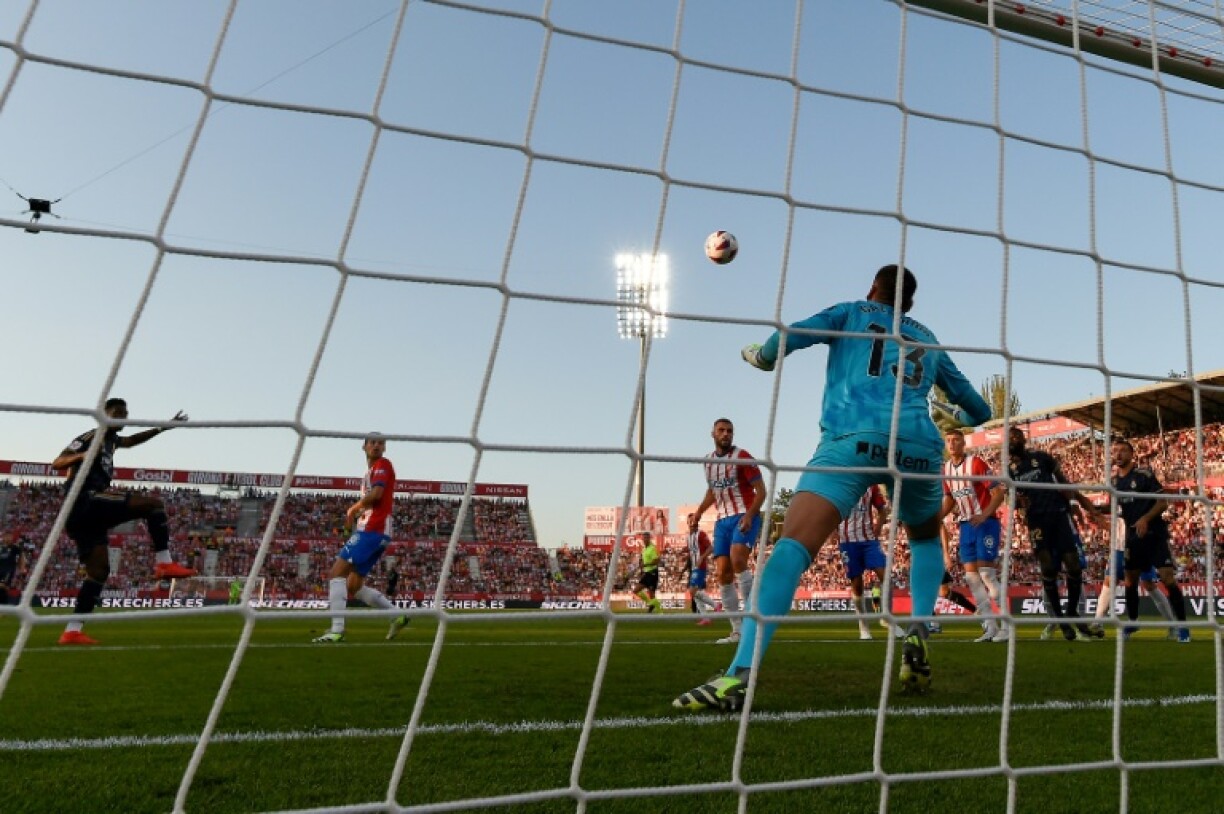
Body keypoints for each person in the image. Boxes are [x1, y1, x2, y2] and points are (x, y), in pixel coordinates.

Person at [674, 264, 992, 711]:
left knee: (792, 548)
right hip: (919, 445)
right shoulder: (929, 338)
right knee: (922, 539)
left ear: (872, 289)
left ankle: (738, 677)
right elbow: (979, 409)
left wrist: (762, 356)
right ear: (910, 303)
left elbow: (790, 334)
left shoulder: (850, 312)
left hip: (853, 440)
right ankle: (919, 631)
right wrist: (953, 419)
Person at [51, 398, 196, 646]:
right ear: (105, 414)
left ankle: (72, 631)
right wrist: (85, 455)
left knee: (98, 572)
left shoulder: (113, 441)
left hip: (86, 517)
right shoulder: (91, 436)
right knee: (153, 505)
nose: (123, 416)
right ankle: (164, 564)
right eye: (117, 412)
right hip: (84, 498)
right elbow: (57, 462)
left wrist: (162, 428)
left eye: (125, 413)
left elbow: (131, 441)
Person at [1005, 428, 1104, 642]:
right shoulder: (1010, 471)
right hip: (1036, 521)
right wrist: (1017, 504)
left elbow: (1063, 481)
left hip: (1059, 515)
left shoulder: (1041, 458)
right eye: (1009, 438)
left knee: (1074, 565)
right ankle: (1060, 620)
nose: (1012, 440)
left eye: (1016, 436)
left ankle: (1070, 614)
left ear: (1023, 439)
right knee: (1048, 568)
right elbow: (1010, 501)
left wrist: (1078, 503)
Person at [314, 433, 402, 643]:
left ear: (384, 448)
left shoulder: (383, 464)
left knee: (337, 573)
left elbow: (377, 495)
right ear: (364, 447)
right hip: (377, 531)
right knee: (353, 586)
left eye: (381, 443)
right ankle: (396, 615)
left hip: (373, 529)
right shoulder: (370, 471)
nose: (377, 446)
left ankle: (337, 630)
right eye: (372, 443)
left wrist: (352, 510)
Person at [688, 418, 767, 645]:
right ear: (712, 433)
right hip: (722, 521)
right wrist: (699, 512)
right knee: (723, 573)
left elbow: (761, 491)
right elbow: (713, 492)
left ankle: (753, 618)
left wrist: (750, 515)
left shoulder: (743, 457)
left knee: (737, 560)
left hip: (744, 515)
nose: (726, 434)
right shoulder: (708, 462)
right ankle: (737, 632)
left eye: (729, 431)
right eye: (721, 430)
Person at [1110, 438, 1190, 642]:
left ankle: (1182, 628)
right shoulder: (1114, 482)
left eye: (1123, 451)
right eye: (1115, 451)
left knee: (1167, 578)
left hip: (1154, 534)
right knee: (1130, 581)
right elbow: (1120, 509)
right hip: (1133, 537)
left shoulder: (1144, 475)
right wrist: (1093, 510)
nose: (1118, 454)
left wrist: (1145, 518)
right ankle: (1133, 621)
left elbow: (1162, 502)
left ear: (1131, 454)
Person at [940, 430, 1008, 642]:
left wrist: (985, 514)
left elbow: (998, 492)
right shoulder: (946, 470)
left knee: (987, 574)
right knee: (972, 578)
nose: (952, 444)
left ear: (963, 443)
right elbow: (950, 499)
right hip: (966, 525)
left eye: (956, 440)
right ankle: (990, 627)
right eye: (949, 441)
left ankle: (1007, 626)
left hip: (986, 523)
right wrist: (937, 517)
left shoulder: (976, 463)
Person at [1091, 515, 1177, 638]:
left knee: (1148, 584)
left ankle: (1172, 625)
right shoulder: (1117, 499)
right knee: (1110, 581)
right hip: (1119, 547)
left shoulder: (1142, 503)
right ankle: (1097, 622)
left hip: (1141, 546)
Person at [835, 485, 890, 640]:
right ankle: (863, 625)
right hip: (847, 541)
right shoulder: (840, 484)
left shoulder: (870, 486)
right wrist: (832, 531)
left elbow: (883, 510)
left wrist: (877, 529)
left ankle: (884, 615)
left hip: (869, 540)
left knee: (884, 575)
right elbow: (830, 510)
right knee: (857, 583)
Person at [684, 513, 716, 625]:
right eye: (690, 521)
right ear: (688, 523)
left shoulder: (701, 534)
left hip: (700, 566)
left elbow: (711, 547)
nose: (692, 523)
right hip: (693, 567)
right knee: (696, 593)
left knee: (692, 590)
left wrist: (702, 557)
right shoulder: (688, 537)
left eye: (694, 521)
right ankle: (705, 618)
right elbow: (691, 552)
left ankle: (716, 605)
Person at [632, 532, 663, 613]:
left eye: (646, 538)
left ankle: (660, 613)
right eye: (644, 538)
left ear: (649, 539)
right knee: (635, 590)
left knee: (652, 594)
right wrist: (642, 568)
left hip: (652, 573)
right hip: (646, 573)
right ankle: (650, 603)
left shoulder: (652, 548)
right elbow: (643, 561)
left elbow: (656, 561)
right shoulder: (644, 549)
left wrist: (645, 565)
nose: (645, 540)